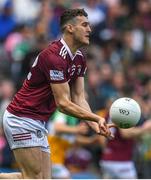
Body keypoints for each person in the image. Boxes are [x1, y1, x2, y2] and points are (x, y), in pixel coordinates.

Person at [0, 8, 115, 179]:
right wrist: (96, 117)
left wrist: (96, 124)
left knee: (42, 178)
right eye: (84, 25)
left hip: (38, 121)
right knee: (33, 177)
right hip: (21, 118)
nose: (89, 30)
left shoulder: (79, 58)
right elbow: (63, 103)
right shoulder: (54, 57)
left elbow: (78, 98)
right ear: (70, 28)